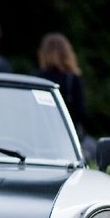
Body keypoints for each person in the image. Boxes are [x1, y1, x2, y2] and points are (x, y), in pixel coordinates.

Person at [34, 32, 94, 160]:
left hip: (40, 137)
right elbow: (81, 112)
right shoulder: (72, 79)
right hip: (67, 138)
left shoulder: (37, 78)